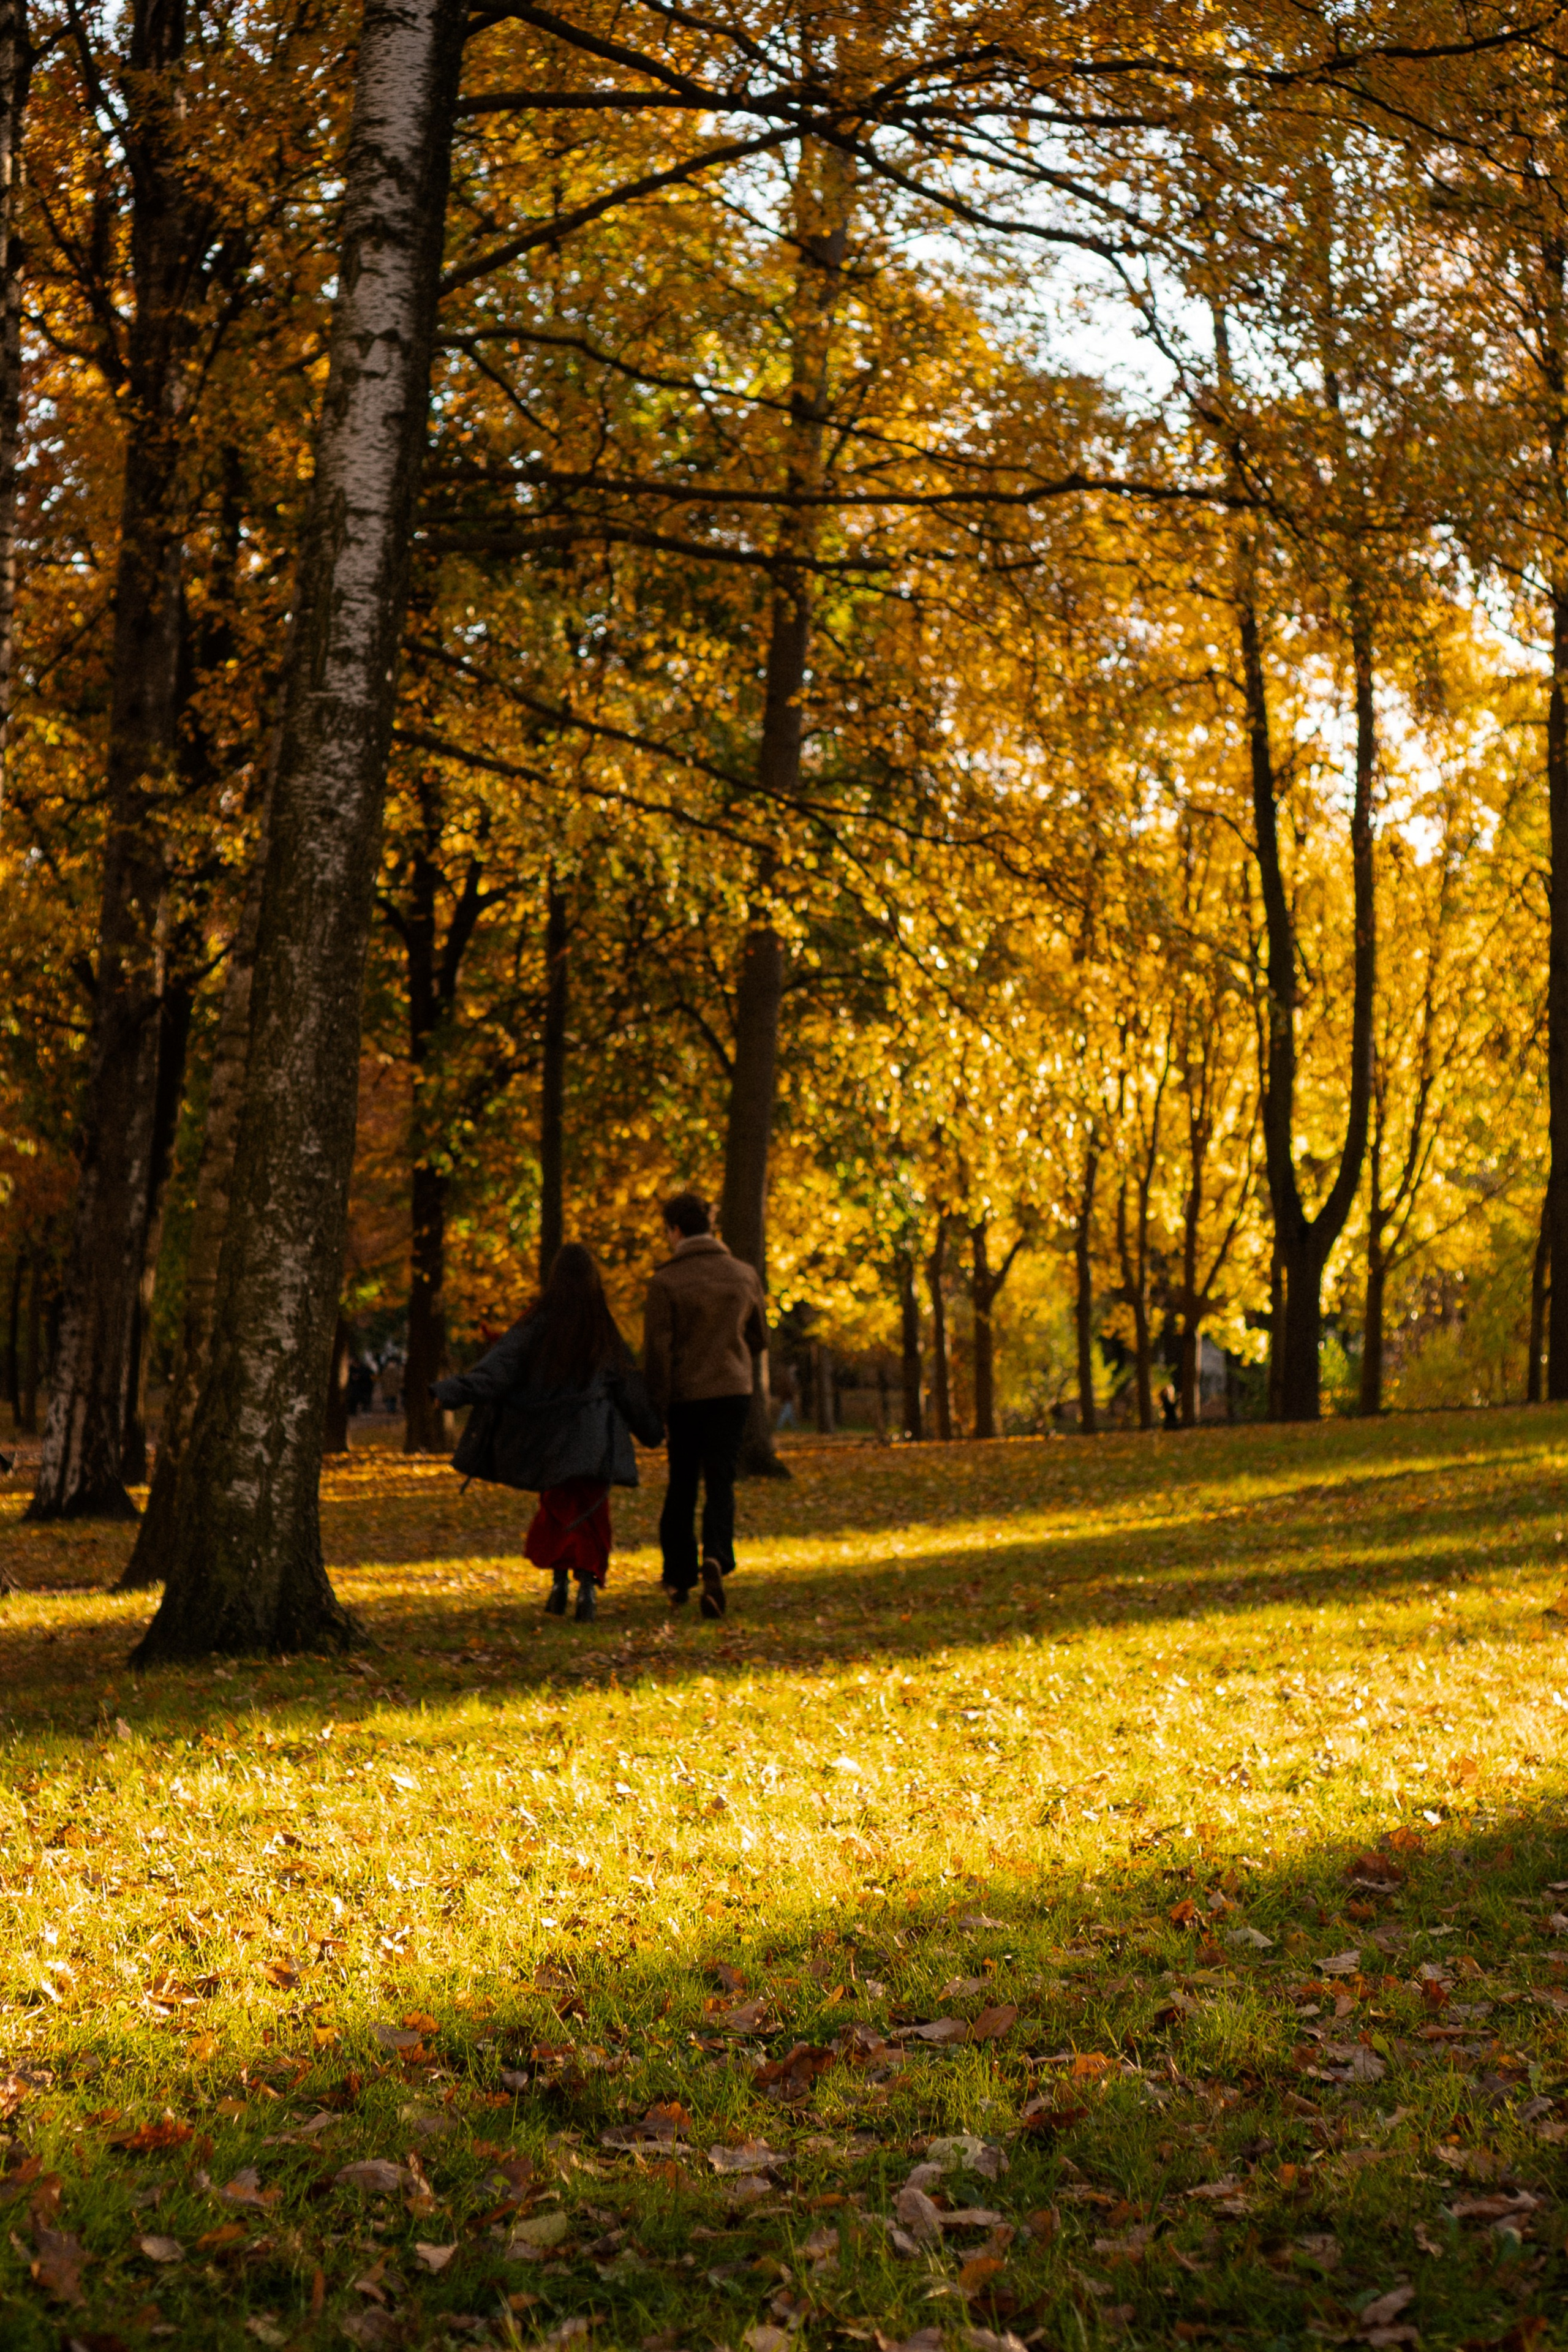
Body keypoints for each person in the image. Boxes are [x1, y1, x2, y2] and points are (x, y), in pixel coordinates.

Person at [433, 1244, 663, 1623]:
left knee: (557, 1509)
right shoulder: (600, 1326)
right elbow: (626, 1384)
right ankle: (587, 1588)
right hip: (594, 1438)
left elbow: (500, 1366)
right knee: (591, 1514)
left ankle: (559, 1585)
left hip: (550, 1439)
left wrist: (452, 1392)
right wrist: (652, 1429)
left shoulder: (538, 1323)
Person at [643, 1191, 766, 1618]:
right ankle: (716, 1553)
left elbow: (657, 1353)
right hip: (733, 1392)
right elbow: (759, 1337)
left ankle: (679, 1575)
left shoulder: (665, 1283)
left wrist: (655, 1406)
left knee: (682, 1484)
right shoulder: (744, 1274)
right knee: (721, 1480)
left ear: (675, 1231)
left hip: (686, 1396)